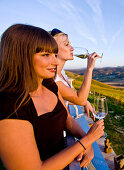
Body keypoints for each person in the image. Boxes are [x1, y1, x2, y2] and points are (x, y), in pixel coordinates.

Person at [0, 24, 104, 169]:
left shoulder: (48, 84)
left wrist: (85, 140)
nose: (55, 61)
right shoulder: (10, 106)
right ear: (21, 56)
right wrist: (87, 141)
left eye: (54, 54)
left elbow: (67, 119)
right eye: (45, 55)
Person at [50, 28, 99, 120]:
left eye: (70, 44)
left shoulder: (62, 73)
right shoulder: (52, 77)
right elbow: (80, 99)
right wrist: (89, 68)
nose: (72, 48)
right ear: (53, 49)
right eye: (66, 44)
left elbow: (66, 97)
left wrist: (86, 102)